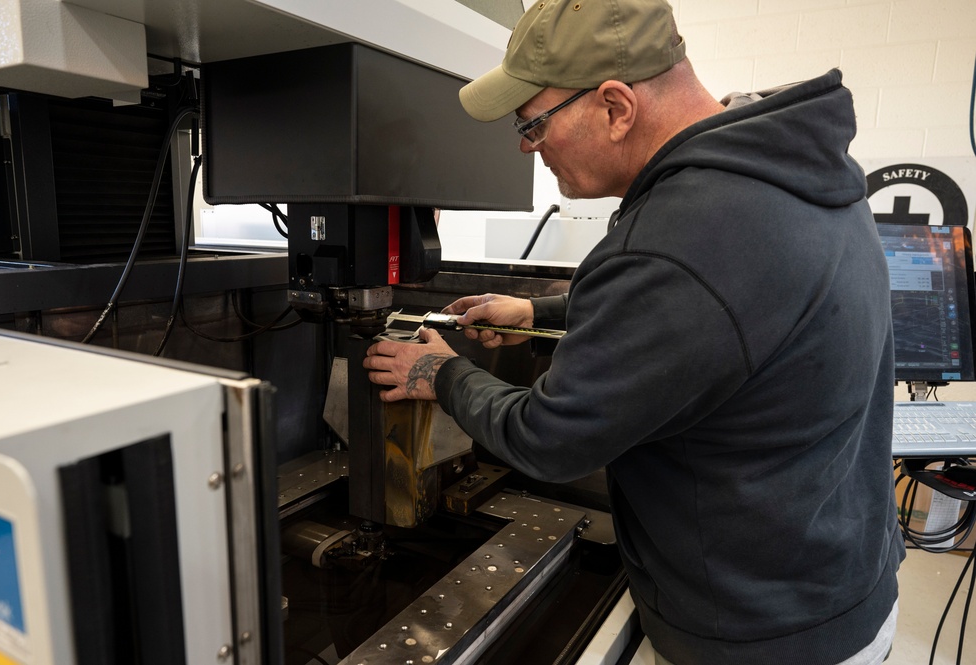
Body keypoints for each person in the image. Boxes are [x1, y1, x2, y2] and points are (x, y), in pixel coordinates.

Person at [362, 0, 904, 663]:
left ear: (616, 107)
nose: (526, 148)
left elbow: (548, 438)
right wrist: (536, 312)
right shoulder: (784, 171)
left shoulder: (680, 237)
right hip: (837, 587)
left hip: (757, 636)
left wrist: (437, 372)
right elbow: (722, 311)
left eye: (532, 124)